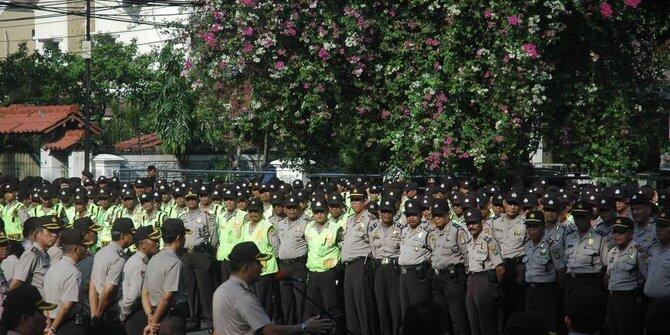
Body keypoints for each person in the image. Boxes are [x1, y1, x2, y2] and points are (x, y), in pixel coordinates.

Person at [212, 241, 334, 335]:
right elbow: (269, 331)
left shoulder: (221, 290)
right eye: (258, 263)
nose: (262, 267)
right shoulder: (241, 296)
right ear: (246, 267)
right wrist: (304, 327)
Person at [341, 186, 380, 335]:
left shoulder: (370, 219)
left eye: (358, 200)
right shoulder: (350, 219)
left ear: (365, 201)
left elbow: (375, 244)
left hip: (361, 265)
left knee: (364, 307)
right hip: (348, 267)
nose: (354, 203)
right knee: (351, 307)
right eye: (352, 200)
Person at [141, 218, 189, 335]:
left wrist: (150, 317)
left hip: (153, 313)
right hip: (169, 318)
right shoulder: (175, 262)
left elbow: (145, 292)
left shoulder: (154, 258)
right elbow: (167, 295)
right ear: (178, 238)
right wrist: (154, 322)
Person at [429, 198, 469, 335]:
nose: (437, 218)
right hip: (437, 277)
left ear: (448, 214)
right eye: (435, 215)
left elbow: (467, 254)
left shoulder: (457, 230)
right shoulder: (432, 232)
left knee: (457, 318)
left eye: (440, 215)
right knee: (441, 318)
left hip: (453, 277)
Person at [89, 217, 135, 334]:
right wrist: (99, 315)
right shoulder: (118, 258)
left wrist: (94, 313)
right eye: (131, 234)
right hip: (110, 310)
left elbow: (93, 285)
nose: (133, 237)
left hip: (98, 307)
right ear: (124, 237)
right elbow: (109, 289)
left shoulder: (101, 252)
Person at [43, 228, 91, 334]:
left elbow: (45, 301)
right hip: (68, 325)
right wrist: (53, 328)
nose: (87, 249)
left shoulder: (52, 268)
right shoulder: (73, 272)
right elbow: (67, 305)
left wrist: (48, 325)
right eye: (84, 246)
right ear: (75, 249)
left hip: (51, 322)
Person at [304, 196, 343, 325]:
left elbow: (343, 248)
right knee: (315, 308)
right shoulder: (308, 227)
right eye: (316, 212)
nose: (319, 214)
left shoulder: (336, 227)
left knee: (332, 308)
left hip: (329, 272)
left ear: (327, 211)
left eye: (321, 211)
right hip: (313, 272)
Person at [179, 190, 216, 330]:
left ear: (198, 200)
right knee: (190, 288)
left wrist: (208, 253)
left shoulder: (206, 216)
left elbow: (213, 237)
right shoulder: (182, 218)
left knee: (205, 287)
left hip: (201, 254)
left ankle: (209, 318)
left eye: (193, 199)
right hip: (187, 254)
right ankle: (193, 318)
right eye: (188, 200)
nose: (191, 202)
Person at [605, 217, 647, 335]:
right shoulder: (611, 252)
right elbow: (608, 276)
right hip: (612, 298)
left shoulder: (639, 251)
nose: (617, 235)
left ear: (631, 234)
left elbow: (646, 277)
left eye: (622, 232)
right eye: (615, 231)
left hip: (629, 300)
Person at [465, 209, 505, 335]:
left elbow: (500, 269)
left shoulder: (489, 241)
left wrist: (496, 287)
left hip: (485, 281)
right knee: (473, 320)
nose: (471, 226)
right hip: (472, 280)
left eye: (474, 223)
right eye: (469, 223)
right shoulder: (469, 242)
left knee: (486, 322)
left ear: (481, 222)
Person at [489, 191, 527, 322]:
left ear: (520, 206)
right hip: (501, 268)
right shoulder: (495, 223)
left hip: (518, 268)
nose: (512, 207)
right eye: (510, 203)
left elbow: (529, 247)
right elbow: (492, 246)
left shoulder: (525, 224)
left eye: (516, 204)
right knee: (503, 307)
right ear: (504, 204)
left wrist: (522, 269)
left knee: (519, 306)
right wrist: (498, 264)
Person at [522, 210, 561, 334]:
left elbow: (561, 269)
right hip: (530, 290)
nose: (532, 229)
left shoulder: (552, 245)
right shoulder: (527, 245)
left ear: (543, 226)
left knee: (549, 325)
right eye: (529, 226)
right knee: (531, 325)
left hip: (546, 290)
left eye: (535, 226)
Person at [240, 197, 279, 319]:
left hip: (265, 270)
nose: (253, 214)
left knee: (264, 301)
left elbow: (276, 248)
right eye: (251, 211)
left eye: (256, 211)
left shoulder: (267, 226)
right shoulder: (245, 226)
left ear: (261, 211)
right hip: (249, 270)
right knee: (252, 300)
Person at [564, 200, 608, 306]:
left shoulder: (600, 237)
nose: (579, 220)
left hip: (590, 282)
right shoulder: (569, 237)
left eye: (582, 216)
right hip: (572, 282)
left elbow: (607, 265)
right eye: (576, 217)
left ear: (589, 217)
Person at [120, 226, 161, 335]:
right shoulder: (139, 264)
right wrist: (122, 316)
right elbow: (133, 296)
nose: (157, 243)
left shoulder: (144, 261)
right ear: (142, 244)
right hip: (136, 316)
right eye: (154, 241)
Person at [371, 197, 403, 335]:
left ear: (394, 213)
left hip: (393, 268)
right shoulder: (372, 229)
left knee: (395, 306)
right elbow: (372, 250)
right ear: (379, 212)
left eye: (389, 211)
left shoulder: (401, 230)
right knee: (381, 306)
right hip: (378, 269)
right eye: (384, 211)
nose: (386, 214)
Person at [276, 193, 309, 325]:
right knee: (286, 301)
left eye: (294, 207)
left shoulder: (306, 223)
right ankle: (289, 328)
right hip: (284, 266)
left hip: (299, 265)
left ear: (299, 208)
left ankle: (303, 328)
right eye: (289, 207)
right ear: (284, 209)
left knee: (301, 300)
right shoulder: (280, 224)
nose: (292, 210)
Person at [398, 199, 433, 315]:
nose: (411, 218)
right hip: (404, 274)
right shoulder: (404, 231)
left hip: (418, 274)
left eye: (414, 214)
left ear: (420, 214)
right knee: (406, 310)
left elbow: (434, 253)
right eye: (408, 215)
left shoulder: (427, 231)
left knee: (420, 310)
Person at [9, 215, 61, 294]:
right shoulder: (31, 254)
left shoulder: (44, 254)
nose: (55, 235)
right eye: (50, 231)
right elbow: (15, 285)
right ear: (38, 233)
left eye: (56, 232)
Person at [644, 208, 670, 333]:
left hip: (666, 307)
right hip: (650, 304)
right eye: (658, 226)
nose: (659, 229)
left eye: (664, 226)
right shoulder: (653, 249)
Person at [216, 189, 247, 282]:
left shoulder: (244, 216)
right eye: (226, 200)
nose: (228, 202)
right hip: (223, 256)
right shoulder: (220, 216)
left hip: (236, 257)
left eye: (231, 200)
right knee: (225, 284)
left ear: (237, 200)